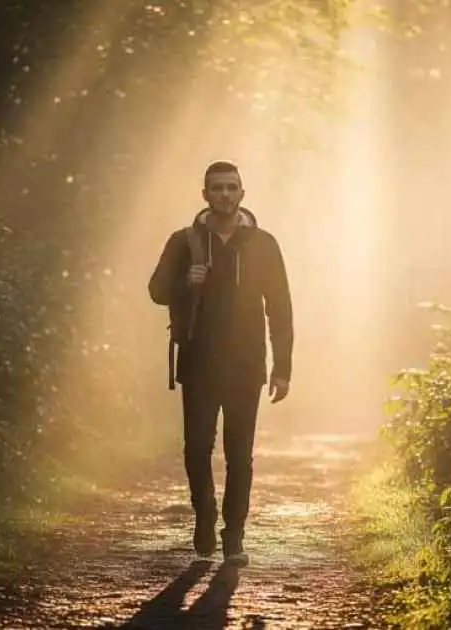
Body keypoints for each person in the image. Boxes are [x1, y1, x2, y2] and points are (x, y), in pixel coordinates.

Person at [147, 160, 294, 565]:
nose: (225, 194)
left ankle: (234, 535)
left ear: (242, 194)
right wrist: (185, 282)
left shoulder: (263, 244)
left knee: (239, 454)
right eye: (217, 188)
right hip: (197, 361)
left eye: (232, 187)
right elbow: (156, 290)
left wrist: (282, 367)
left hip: (247, 364)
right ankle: (204, 517)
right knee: (196, 448)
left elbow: (280, 308)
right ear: (205, 195)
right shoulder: (184, 241)